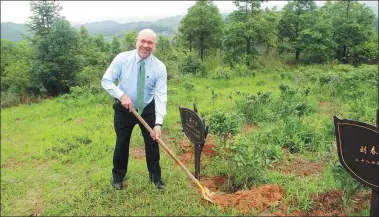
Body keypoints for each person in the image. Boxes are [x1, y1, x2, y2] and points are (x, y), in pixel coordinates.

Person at [101, 28, 167, 190]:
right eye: (142, 41)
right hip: (124, 109)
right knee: (122, 143)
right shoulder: (122, 59)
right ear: (136, 41)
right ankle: (118, 178)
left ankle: (156, 179)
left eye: (150, 42)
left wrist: (158, 123)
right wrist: (121, 94)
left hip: (147, 108)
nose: (145, 45)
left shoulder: (159, 67)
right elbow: (106, 80)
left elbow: (160, 96)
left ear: (155, 45)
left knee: (152, 144)